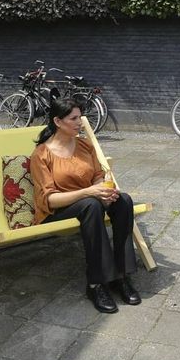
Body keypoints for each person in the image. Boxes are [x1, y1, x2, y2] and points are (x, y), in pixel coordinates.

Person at [29, 98, 140, 313]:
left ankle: (121, 277)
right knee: (91, 204)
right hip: (57, 210)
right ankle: (96, 284)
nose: (80, 122)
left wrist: (104, 191)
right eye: (74, 118)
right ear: (58, 121)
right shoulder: (41, 154)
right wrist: (90, 192)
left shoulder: (84, 145)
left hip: (90, 203)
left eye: (80, 117)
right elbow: (49, 199)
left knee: (123, 200)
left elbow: (98, 176)